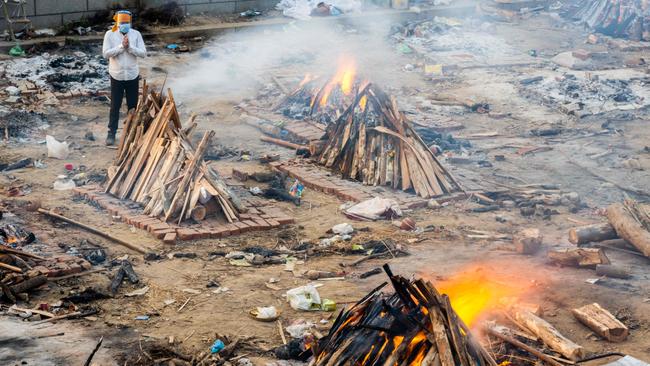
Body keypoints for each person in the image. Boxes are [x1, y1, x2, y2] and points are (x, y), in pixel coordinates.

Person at [102, 10, 146, 146]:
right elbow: (106, 54)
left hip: (132, 75)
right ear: (117, 23)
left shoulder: (136, 34)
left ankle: (131, 134)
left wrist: (130, 47)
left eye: (127, 23)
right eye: (122, 23)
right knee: (115, 105)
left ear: (130, 23)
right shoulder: (110, 34)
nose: (124, 25)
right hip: (117, 75)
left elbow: (143, 53)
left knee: (132, 106)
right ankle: (111, 133)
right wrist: (121, 47)